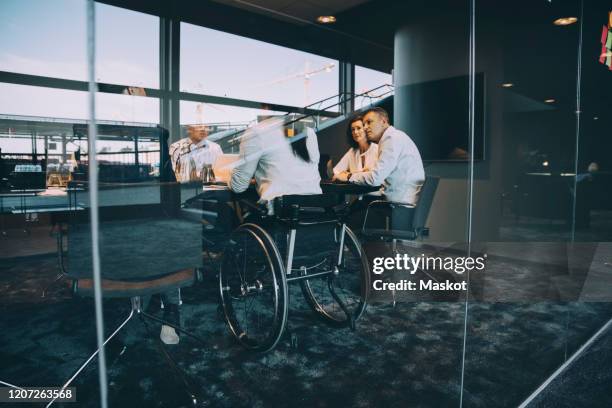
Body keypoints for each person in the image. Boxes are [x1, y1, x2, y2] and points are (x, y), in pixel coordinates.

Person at [334, 107, 424, 206]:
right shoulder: (392, 137)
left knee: (356, 211)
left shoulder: (391, 139)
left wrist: (349, 176)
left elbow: (375, 179)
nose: (365, 127)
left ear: (384, 121)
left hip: (401, 203)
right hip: (399, 199)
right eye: (364, 124)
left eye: (369, 122)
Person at [229, 118, 321, 210]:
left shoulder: (258, 131)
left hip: (280, 215)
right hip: (317, 211)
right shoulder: (309, 132)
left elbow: (238, 186)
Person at [333, 115, 379, 179]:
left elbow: (377, 176)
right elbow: (336, 172)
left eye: (358, 128)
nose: (355, 132)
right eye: (353, 129)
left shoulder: (377, 149)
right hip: (355, 188)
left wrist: (349, 175)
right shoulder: (352, 152)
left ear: (365, 129)